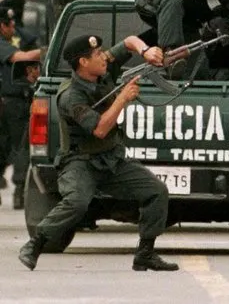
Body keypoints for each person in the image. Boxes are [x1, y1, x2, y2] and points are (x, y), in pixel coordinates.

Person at [18, 34, 179, 272]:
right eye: (96, 55)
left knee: (156, 191)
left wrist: (146, 51)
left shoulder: (103, 70)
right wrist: (122, 98)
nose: (103, 57)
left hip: (111, 159)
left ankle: (145, 254)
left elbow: (129, 42)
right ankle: (35, 243)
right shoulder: (70, 95)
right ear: (83, 62)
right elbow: (100, 129)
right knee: (77, 202)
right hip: (80, 162)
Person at [0, 6, 43, 209]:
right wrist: (46, 51)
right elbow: (20, 58)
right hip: (9, 102)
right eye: (10, 24)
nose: (14, 28)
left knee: (18, 147)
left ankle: (19, 191)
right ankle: (18, 190)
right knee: (17, 147)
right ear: (2, 26)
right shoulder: (3, 44)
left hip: (16, 101)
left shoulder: (19, 38)